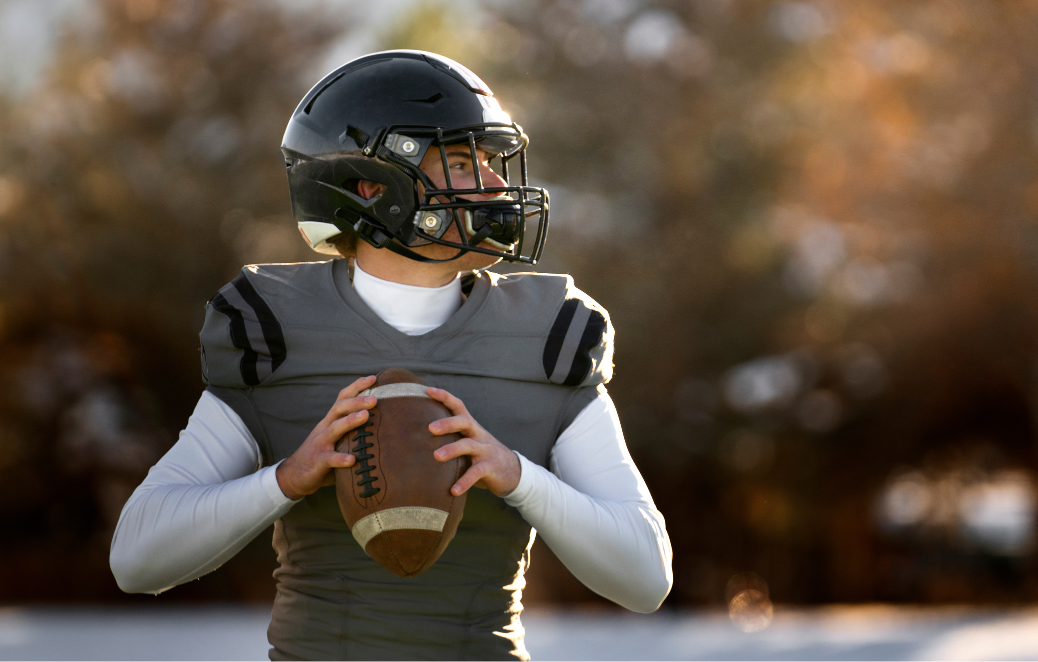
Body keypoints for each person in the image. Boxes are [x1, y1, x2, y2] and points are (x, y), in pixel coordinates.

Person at [109, 50, 673, 660]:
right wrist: (286, 480)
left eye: (490, 160)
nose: (494, 183)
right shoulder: (275, 331)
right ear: (373, 186)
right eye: (463, 161)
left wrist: (517, 476)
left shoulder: (546, 333)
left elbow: (647, 578)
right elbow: (136, 560)